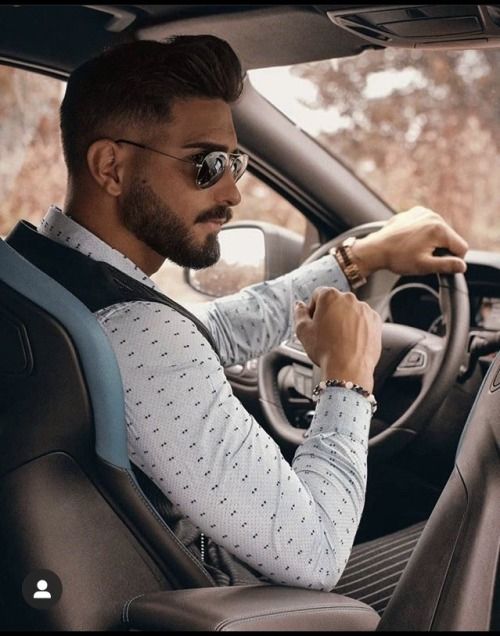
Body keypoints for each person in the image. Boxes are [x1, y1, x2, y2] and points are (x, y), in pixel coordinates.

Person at [9, 36, 468, 591]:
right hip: (208, 608)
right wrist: (348, 380)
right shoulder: (133, 330)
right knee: (473, 540)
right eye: (207, 164)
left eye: (236, 163)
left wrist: (356, 259)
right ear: (111, 166)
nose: (232, 192)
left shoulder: (39, 273)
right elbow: (318, 554)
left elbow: (203, 333)